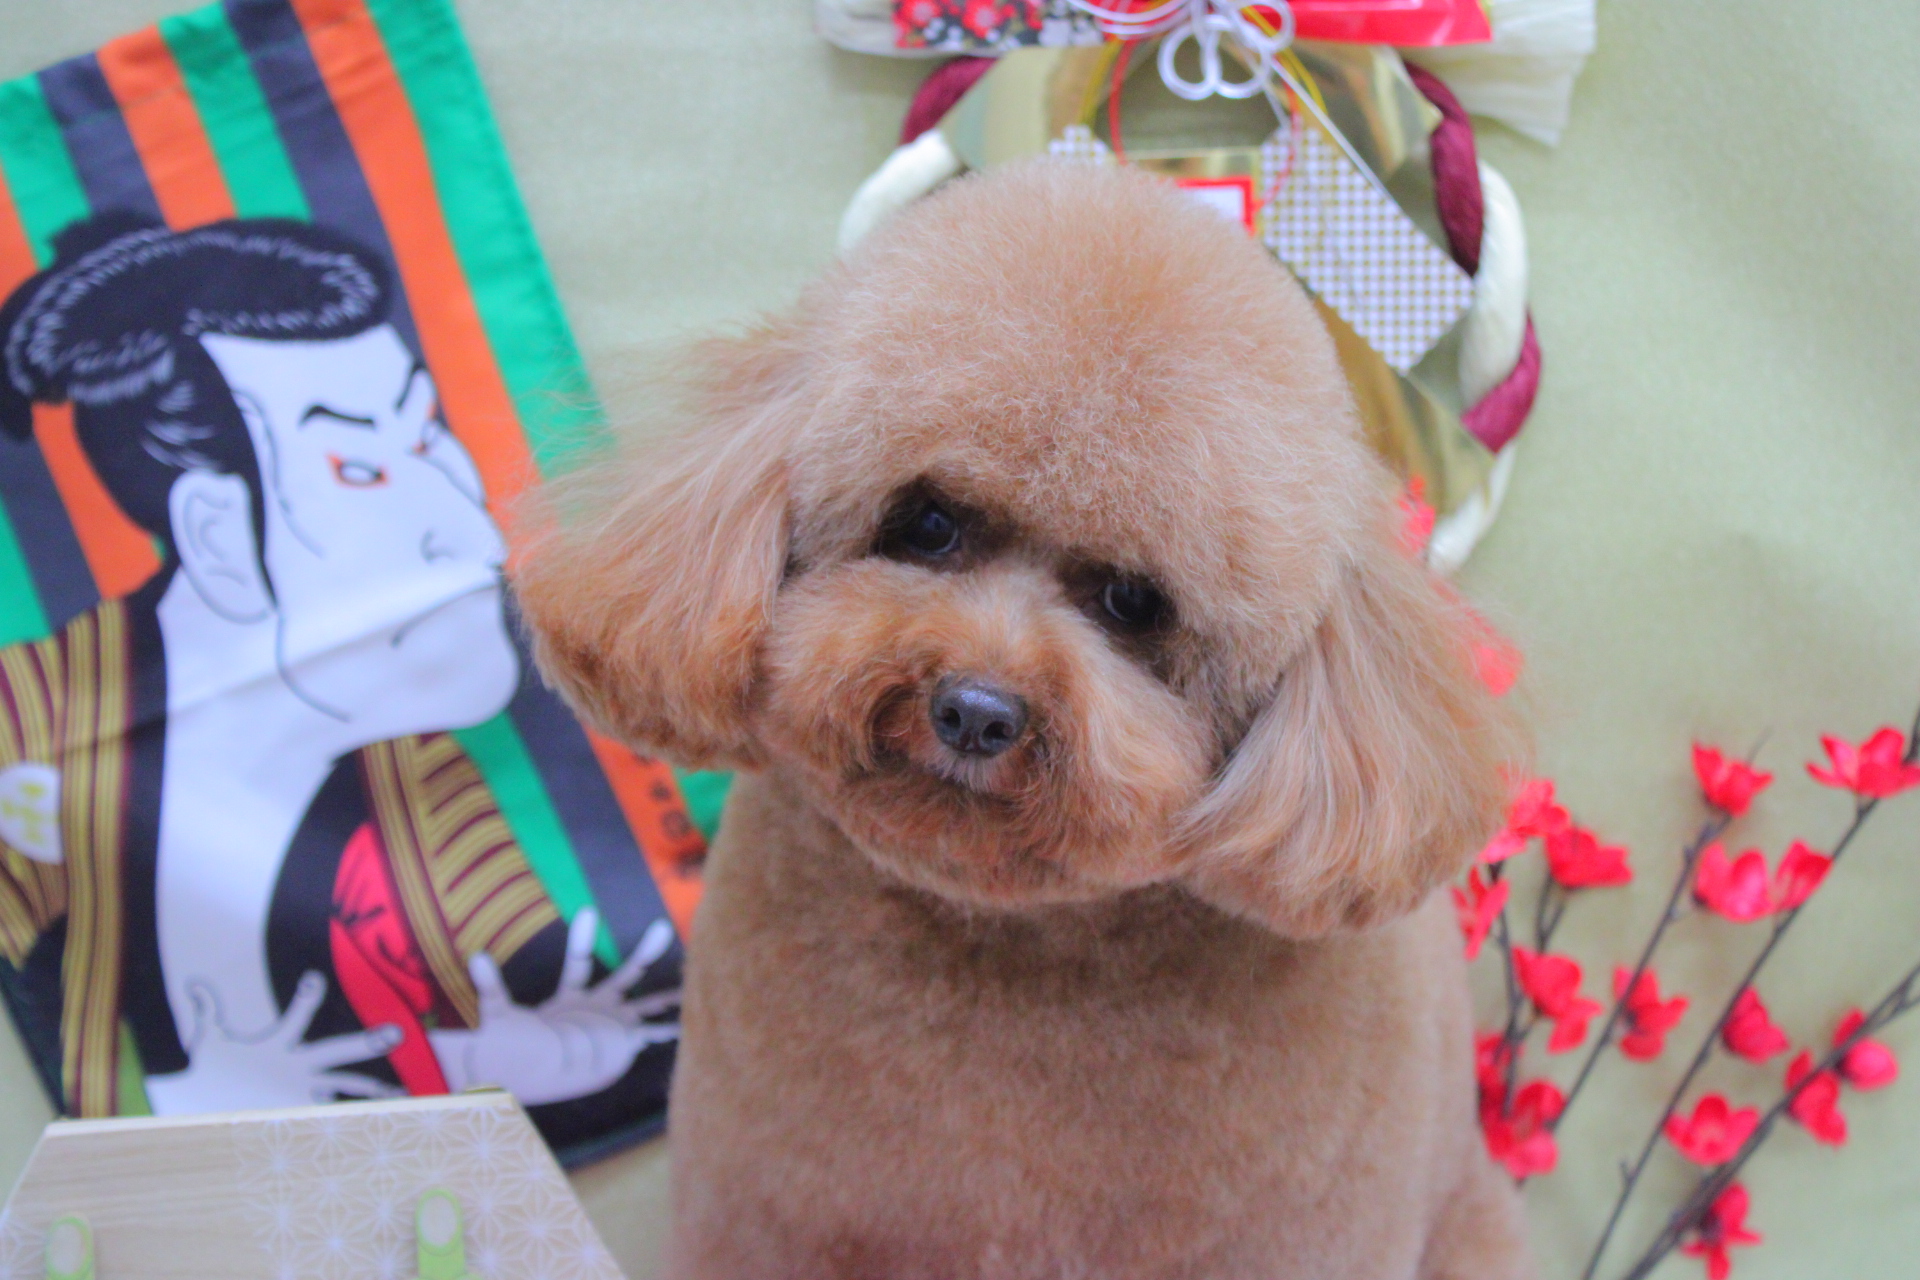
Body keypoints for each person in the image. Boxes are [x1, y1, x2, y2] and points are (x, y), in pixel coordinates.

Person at [0, 216, 676, 1127]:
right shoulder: (28, 730)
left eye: (428, 435)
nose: (472, 526)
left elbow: (524, 986)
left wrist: (489, 1059)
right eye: (362, 468)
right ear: (216, 534)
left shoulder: (418, 772)